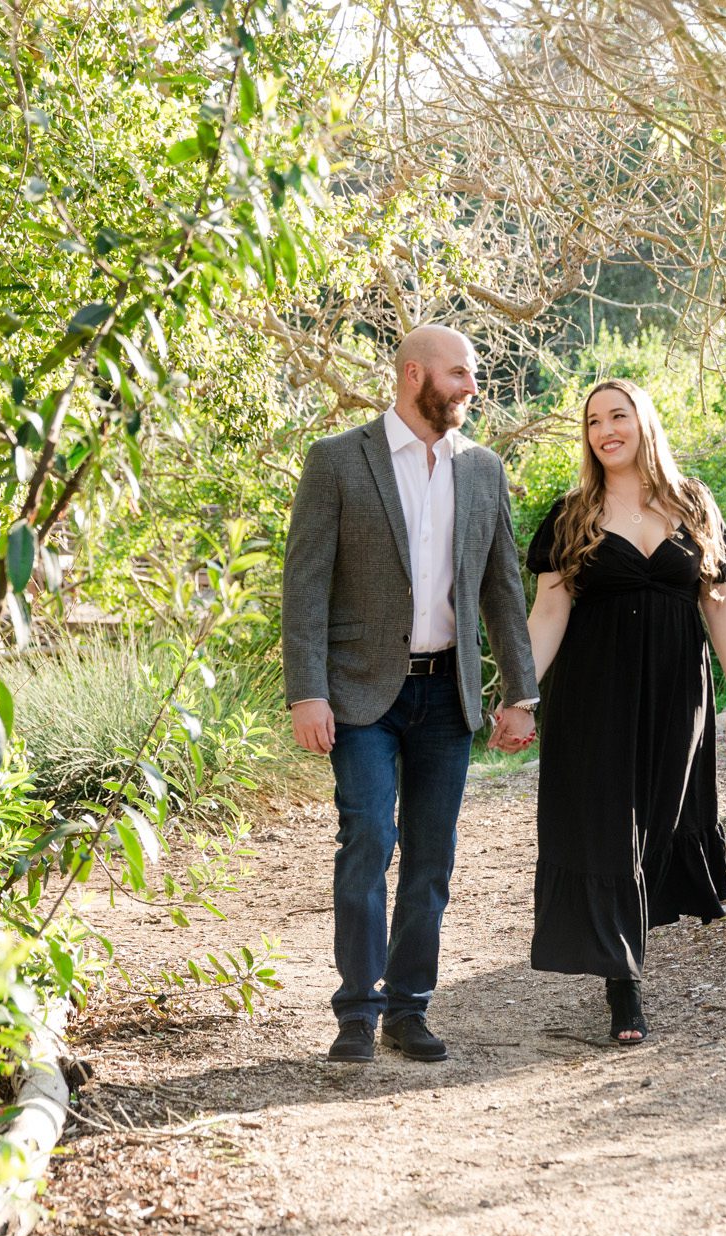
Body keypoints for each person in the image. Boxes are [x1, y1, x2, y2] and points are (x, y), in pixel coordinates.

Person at [282, 324, 540, 1064]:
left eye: (473, 375)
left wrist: (519, 693)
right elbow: (304, 586)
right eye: (459, 373)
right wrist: (307, 691)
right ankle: (356, 1013)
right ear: (413, 373)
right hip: (360, 694)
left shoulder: (483, 470)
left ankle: (408, 1008)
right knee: (369, 837)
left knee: (432, 855)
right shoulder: (337, 460)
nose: (470, 387)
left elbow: (502, 590)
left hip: (446, 696)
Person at [524, 378, 726, 1043]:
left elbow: (719, 604)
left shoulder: (693, 503)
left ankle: (627, 939)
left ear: (643, 422)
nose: (605, 430)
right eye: (593, 421)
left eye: (617, 415)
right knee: (608, 825)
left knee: (658, 817)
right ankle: (623, 985)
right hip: (593, 694)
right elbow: (549, 611)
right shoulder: (572, 514)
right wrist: (518, 693)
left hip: (678, 690)